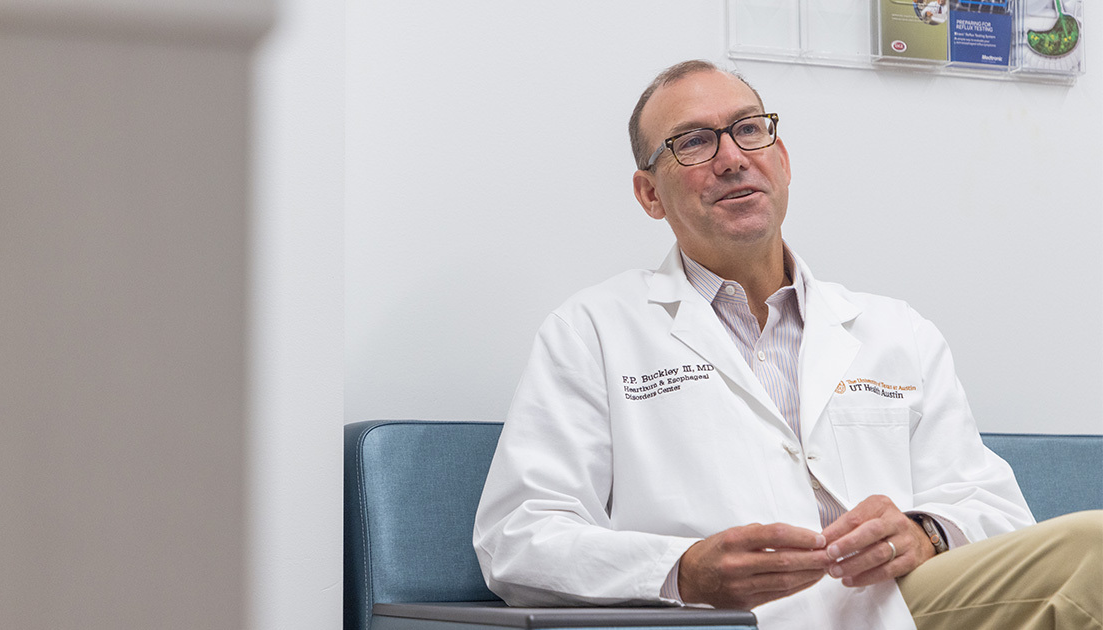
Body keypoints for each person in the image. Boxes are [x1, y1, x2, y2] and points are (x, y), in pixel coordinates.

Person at [472, 60, 1102, 630]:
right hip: (731, 625)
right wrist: (683, 570)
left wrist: (926, 533)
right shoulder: (593, 330)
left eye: (749, 129)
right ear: (649, 195)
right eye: (693, 142)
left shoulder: (896, 330)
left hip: (909, 609)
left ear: (783, 161)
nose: (732, 157)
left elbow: (993, 506)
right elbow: (518, 538)